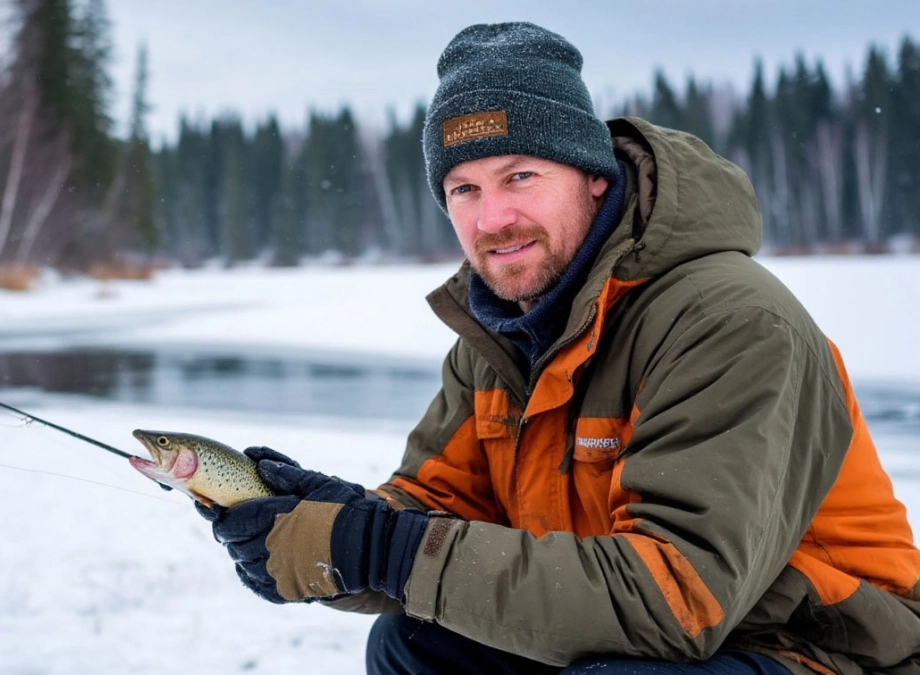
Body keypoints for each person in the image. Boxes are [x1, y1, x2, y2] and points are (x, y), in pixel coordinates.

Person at [198, 21, 920, 675]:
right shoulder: (501, 335)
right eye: (464, 188)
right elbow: (438, 507)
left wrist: (385, 548)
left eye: (520, 176)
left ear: (593, 177)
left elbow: (676, 597)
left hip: (823, 645)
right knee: (408, 642)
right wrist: (332, 526)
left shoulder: (727, 322)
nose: (493, 218)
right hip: (655, 631)